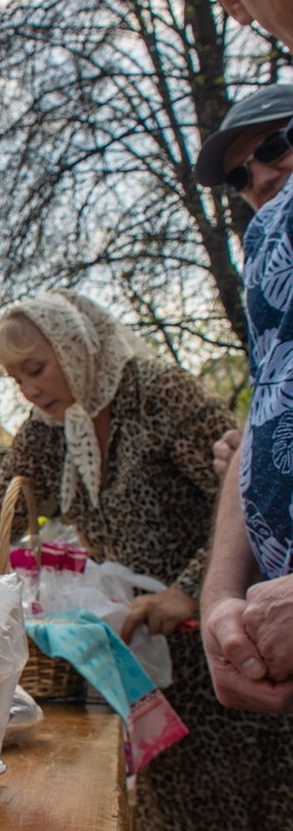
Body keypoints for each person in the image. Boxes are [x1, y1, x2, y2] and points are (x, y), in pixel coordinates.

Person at [0, 289, 293, 831]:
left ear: (77, 347)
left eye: (35, 369)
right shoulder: (50, 429)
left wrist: (191, 590)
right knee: (183, 828)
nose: (29, 391)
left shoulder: (159, 394)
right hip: (141, 658)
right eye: (16, 380)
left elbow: (250, 502)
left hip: (224, 645)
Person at [195, 81, 293, 714]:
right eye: (238, 175)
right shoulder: (266, 254)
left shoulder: (159, 395)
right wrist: (218, 604)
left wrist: (181, 597)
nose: (257, 178)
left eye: (277, 145)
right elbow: (263, 416)